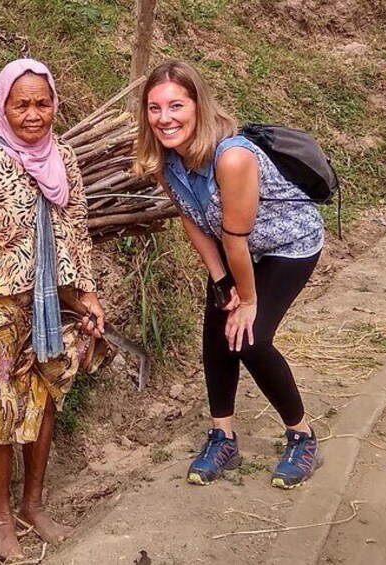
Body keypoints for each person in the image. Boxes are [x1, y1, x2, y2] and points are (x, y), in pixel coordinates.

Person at [135, 60, 324, 489]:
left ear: (198, 106)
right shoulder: (166, 158)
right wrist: (222, 283)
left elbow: (235, 237)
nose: (165, 119)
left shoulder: (232, 157)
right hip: (234, 248)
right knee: (217, 332)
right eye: (154, 108)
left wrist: (248, 300)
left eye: (176, 106)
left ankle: (302, 435)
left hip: (287, 245)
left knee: (252, 340)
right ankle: (223, 436)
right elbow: (191, 219)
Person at [0, 59, 107, 560]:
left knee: (43, 401)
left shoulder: (62, 155)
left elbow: (78, 230)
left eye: (43, 102)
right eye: (21, 104)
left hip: (52, 304)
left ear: (55, 105)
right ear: (3, 105)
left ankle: (33, 505)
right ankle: (1, 518)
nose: (33, 114)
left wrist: (87, 294)